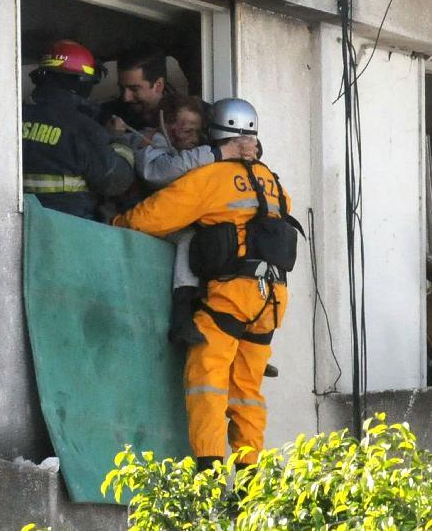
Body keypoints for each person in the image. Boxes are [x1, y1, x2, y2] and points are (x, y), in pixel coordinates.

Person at [114, 98, 299, 471]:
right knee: (246, 390)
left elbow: (154, 217)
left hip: (233, 296)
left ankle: (210, 477)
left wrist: (117, 223)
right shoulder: (272, 181)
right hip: (272, 299)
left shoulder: (211, 178)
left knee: (207, 382)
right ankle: (251, 481)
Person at [135, 95, 257, 345]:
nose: (186, 134)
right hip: (156, 218)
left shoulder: (202, 147)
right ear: (168, 125)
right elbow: (161, 172)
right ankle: (181, 319)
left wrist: (247, 148)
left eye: (193, 129)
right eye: (181, 127)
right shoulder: (149, 141)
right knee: (191, 238)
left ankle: (240, 334)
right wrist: (220, 152)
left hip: (193, 215)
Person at [22, 39, 134, 220]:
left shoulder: (14, 118)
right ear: (82, 82)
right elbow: (115, 180)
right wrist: (118, 138)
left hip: (22, 226)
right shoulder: (82, 128)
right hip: (70, 228)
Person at [101, 43, 169, 132]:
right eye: (122, 88)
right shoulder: (108, 115)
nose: (126, 97)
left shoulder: (182, 120)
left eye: (134, 89)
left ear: (158, 85)